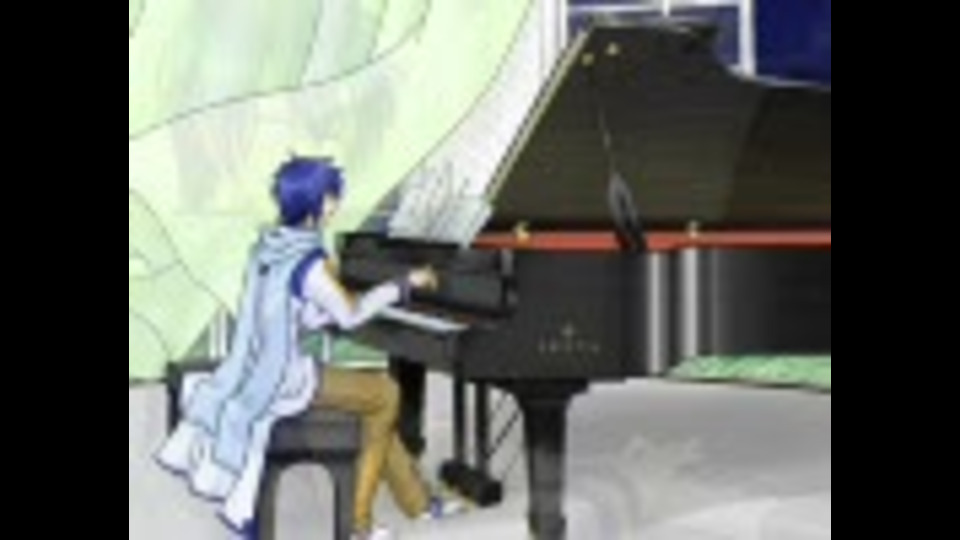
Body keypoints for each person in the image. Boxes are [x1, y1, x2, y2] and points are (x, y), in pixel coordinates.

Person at [156, 156, 464, 540]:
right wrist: (403, 285)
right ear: (315, 202)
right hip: (285, 379)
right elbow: (351, 315)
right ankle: (359, 524)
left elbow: (285, 315)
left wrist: (325, 312)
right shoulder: (309, 262)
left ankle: (418, 503)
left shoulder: (269, 247)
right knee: (386, 394)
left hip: (258, 368)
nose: (335, 205)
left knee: (373, 401)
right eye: (331, 198)